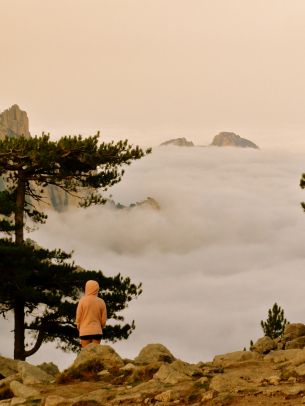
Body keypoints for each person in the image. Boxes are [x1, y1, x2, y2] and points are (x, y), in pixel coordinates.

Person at [76, 280, 107, 348]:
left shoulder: (82, 301)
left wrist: (79, 328)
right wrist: (99, 326)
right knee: (96, 354)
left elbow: (78, 318)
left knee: (86, 355)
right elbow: (103, 321)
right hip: (97, 331)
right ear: (97, 288)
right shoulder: (101, 302)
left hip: (84, 331)